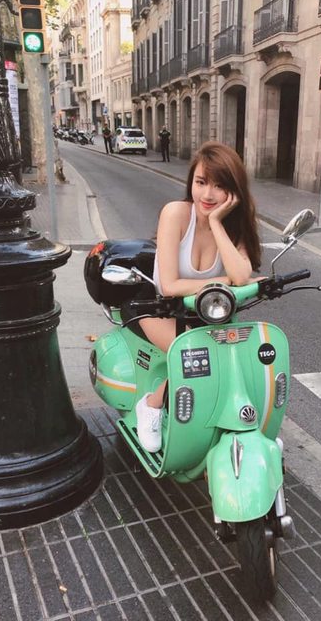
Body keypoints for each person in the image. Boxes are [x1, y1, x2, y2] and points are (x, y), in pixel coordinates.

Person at [135, 141, 261, 452]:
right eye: (201, 182)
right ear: (191, 180)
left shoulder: (233, 224)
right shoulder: (176, 213)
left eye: (220, 186)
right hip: (156, 307)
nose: (207, 194)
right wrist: (224, 280)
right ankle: (150, 405)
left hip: (205, 311)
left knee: (239, 356)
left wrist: (216, 222)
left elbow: (241, 276)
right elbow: (170, 286)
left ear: (234, 192)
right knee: (198, 357)